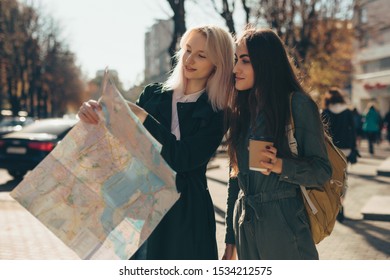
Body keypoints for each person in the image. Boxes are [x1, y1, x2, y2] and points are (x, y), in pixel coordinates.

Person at [78, 25, 235, 259]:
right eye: (188, 50)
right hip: (140, 210)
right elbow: (122, 145)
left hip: (186, 216)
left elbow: (183, 159)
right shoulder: (153, 95)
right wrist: (93, 115)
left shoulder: (217, 111)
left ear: (217, 64)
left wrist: (141, 117)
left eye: (201, 55)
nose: (189, 59)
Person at [222, 27, 331, 260]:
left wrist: (281, 165)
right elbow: (235, 180)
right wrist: (230, 240)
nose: (235, 69)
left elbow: (322, 171)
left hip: (283, 224)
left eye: (245, 61)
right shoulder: (242, 111)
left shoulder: (298, 105)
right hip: (244, 225)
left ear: (265, 63)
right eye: (235, 60)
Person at [322, 87, 357, 223]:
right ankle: (341, 205)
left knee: (331, 179)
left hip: (331, 151)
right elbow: (353, 131)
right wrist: (354, 148)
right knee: (343, 178)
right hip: (346, 150)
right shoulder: (347, 112)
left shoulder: (324, 112)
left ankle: (335, 206)